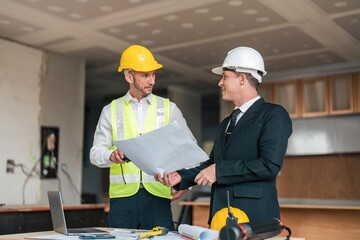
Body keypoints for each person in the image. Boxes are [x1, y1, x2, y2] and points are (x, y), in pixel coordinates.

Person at [156, 46, 293, 225]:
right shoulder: (225, 123)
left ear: (242, 78)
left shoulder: (273, 115)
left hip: (254, 219)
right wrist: (181, 177)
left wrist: (219, 171)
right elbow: (212, 164)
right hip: (221, 216)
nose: (220, 83)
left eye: (225, 77)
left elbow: (269, 165)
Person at [90, 45, 195, 230]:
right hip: (122, 201)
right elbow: (95, 153)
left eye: (154, 74)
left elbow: (189, 148)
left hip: (158, 198)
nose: (152, 80)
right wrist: (111, 156)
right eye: (145, 75)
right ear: (129, 77)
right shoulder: (111, 110)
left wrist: (187, 182)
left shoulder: (169, 108)